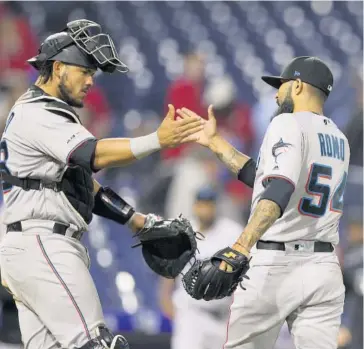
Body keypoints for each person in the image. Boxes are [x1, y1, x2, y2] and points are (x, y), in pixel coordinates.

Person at [0, 19, 203, 349]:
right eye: (85, 69)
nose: (91, 80)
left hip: (29, 246)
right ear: (58, 66)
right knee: (96, 344)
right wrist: (157, 139)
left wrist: (137, 220)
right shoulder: (39, 111)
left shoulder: (35, 114)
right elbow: (93, 154)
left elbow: (81, 184)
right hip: (44, 244)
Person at [178, 56, 350, 349]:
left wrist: (241, 246)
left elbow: (279, 189)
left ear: (297, 86)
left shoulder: (288, 122)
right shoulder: (339, 138)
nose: (276, 94)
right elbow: (264, 179)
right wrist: (215, 141)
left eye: (281, 86)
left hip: (277, 262)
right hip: (323, 266)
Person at [159, 186, 243, 349]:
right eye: (202, 204)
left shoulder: (232, 232)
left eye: (209, 204)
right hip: (191, 315)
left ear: (215, 206)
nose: (205, 209)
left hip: (223, 316)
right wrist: (166, 302)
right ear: (195, 206)